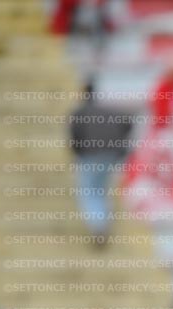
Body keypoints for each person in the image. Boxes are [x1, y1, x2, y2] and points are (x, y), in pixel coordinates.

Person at [70, 82, 133, 244]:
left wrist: (79, 153)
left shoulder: (80, 112)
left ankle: (98, 226)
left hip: (90, 157)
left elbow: (74, 137)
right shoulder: (111, 111)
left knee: (90, 191)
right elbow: (128, 124)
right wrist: (120, 146)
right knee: (102, 190)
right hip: (110, 156)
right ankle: (104, 222)